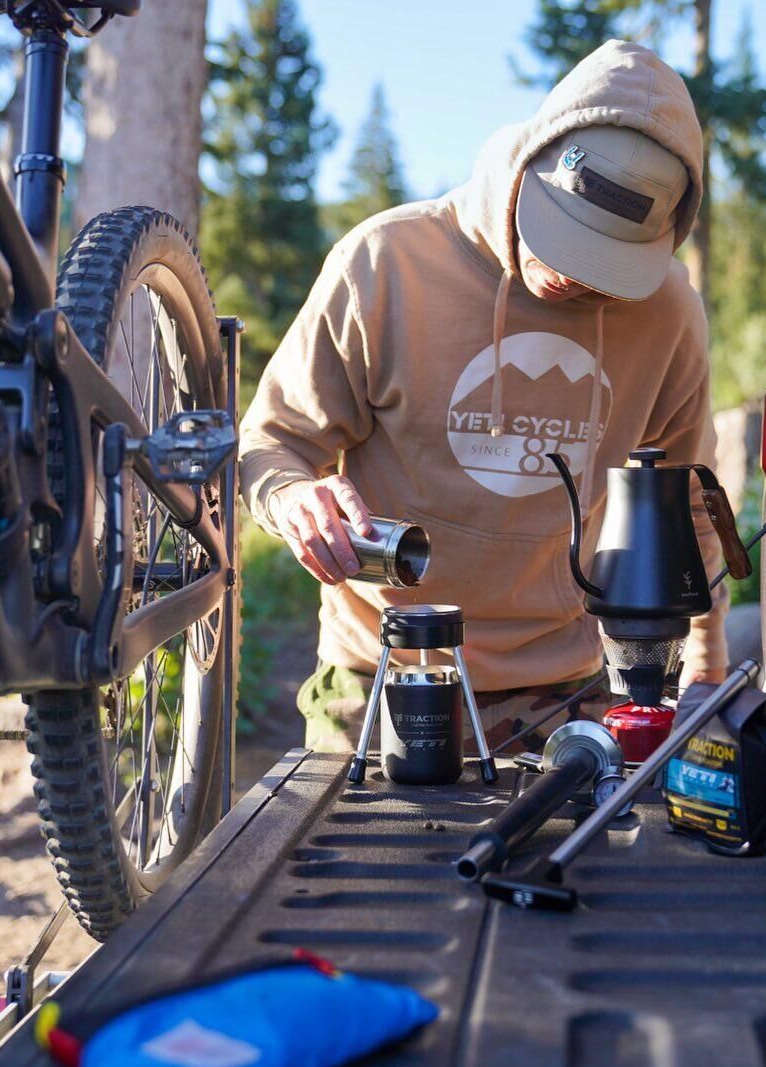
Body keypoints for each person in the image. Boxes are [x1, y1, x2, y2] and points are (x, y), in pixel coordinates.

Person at [238, 40, 728, 754]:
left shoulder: (666, 311)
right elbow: (270, 443)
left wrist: (706, 672)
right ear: (533, 163)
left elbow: (689, 505)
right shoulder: (385, 263)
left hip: (570, 691)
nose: (568, 273)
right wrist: (292, 499)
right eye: (561, 235)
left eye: (603, 263)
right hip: (380, 683)